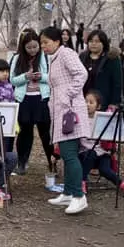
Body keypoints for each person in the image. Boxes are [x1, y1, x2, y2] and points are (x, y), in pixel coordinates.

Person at [40, 26, 91, 215]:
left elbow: (82, 74)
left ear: (56, 41)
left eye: (46, 42)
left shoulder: (66, 53)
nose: (43, 46)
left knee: (70, 154)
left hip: (70, 112)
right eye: (42, 43)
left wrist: (68, 95)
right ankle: (69, 192)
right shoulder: (55, 57)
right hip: (61, 111)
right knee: (66, 153)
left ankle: (79, 196)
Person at [10, 31, 52, 176]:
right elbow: (13, 80)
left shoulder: (46, 58)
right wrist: (25, 77)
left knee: (46, 132)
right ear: (23, 47)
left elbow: (53, 77)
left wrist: (42, 77)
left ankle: (52, 162)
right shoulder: (16, 59)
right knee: (25, 133)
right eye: (29, 47)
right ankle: (22, 162)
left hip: (42, 98)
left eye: (35, 47)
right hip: (24, 99)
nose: (33, 50)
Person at [80, 91, 124, 195]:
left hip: (102, 152)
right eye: (85, 101)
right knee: (91, 153)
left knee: (105, 169)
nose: (87, 105)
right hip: (86, 152)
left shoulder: (102, 119)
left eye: (91, 102)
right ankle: (82, 181)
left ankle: (121, 183)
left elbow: (109, 136)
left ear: (98, 106)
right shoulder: (81, 119)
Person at [80, 30, 123, 109]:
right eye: (91, 41)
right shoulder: (82, 57)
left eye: (97, 41)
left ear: (103, 43)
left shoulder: (111, 58)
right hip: (83, 100)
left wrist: (114, 102)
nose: (93, 44)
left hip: (103, 101)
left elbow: (117, 83)